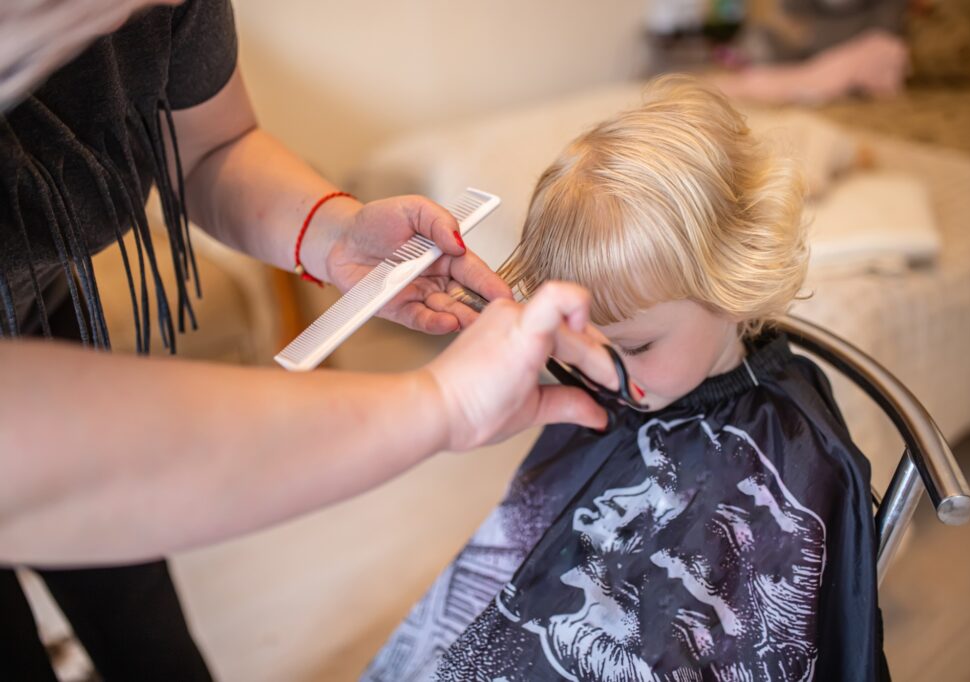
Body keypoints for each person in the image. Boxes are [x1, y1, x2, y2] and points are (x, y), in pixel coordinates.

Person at [0, 1, 625, 680]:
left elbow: (210, 146)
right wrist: (441, 404)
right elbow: (44, 455)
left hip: (45, 305)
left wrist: (337, 234)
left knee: (136, 605)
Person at [364, 77, 889, 681]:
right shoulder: (616, 380)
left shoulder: (792, 450)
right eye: (581, 339)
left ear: (734, 288)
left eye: (635, 345)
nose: (603, 371)